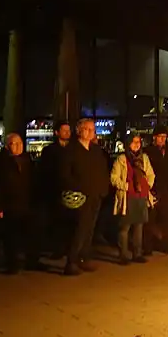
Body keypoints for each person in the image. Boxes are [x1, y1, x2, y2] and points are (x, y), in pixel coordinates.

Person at [60, 118, 110, 275]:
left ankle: (84, 257)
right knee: (79, 229)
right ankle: (71, 260)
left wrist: (103, 189)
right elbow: (65, 174)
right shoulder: (71, 150)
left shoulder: (95, 150)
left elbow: (103, 170)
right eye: (87, 129)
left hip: (96, 195)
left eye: (92, 129)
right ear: (79, 130)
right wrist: (77, 188)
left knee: (89, 228)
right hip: (79, 196)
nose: (90, 132)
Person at [0, 133, 41, 274]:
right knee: (11, 236)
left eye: (20, 143)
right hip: (10, 204)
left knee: (31, 234)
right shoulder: (0, 163)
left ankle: (32, 261)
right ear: (7, 146)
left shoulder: (27, 160)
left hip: (27, 202)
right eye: (14, 143)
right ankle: (12, 264)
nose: (19, 146)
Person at [110, 134, 156, 265]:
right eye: (133, 142)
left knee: (139, 225)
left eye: (138, 142)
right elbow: (114, 178)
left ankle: (137, 253)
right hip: (127, 197)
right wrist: (126, 186)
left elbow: (151, 174)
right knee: (125, 227)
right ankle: (123, 254)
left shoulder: (144, 158)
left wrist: (147, 186)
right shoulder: (122, 159)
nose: (136, 144)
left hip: (141, 197)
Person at [39, 121, 73, 257]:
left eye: (69, 130)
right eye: (64, 130)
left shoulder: (73, 149)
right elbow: (45, 171)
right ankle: (57, 249)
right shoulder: (49, 151)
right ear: (57, 132)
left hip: (71, 189)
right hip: (55, 190)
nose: (67, 133)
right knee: (57, 221)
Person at [145, 126, 168, 255]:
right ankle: (147, 246)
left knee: (167, 219)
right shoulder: (148, 151)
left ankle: (165, 244)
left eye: (164, 137)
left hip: (167, 189)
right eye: (160, 137)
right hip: (154, 188)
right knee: (150, 219)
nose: (163, 139)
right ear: (155, 137)